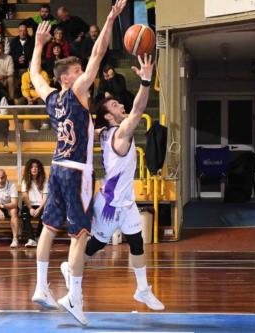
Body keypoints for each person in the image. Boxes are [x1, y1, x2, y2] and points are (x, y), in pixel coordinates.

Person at [29, 0, 127, 326]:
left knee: (47, 228)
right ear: (69, 77)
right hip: (77, 172)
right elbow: (98, 55)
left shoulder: (51, 97)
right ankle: (74, 296)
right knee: (79, 236)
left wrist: (38, 46)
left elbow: (33, 75)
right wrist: (111, 18)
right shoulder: (78, 91)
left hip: (55, 168)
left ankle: (41, 287)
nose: (83, 70)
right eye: (77, 69)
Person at [61, 53, 165, 312]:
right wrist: (145, 81)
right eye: (116, 106)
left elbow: (95, 128)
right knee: (95, 245)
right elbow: (139, 110)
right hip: (109, 204)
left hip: (125, 202)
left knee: (137, 242)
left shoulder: (105, 132)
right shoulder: (120, 134)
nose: (121, 107)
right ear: (108, 116)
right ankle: (71, 269)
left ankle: (142, 289)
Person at [21, 159, 48, 248]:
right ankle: (31, 239)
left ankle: (38, 237)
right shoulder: (25, 180)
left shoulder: (44, 180)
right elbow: (24, 196)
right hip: (29, 205)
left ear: (39, 169)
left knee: (45, 214)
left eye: (36, 167)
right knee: (24, 213)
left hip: (41, 205)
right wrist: (30, 208)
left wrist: (39, 208)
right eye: (32, 167)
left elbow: (45, 197)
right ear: (29, 169)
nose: (34, 169)